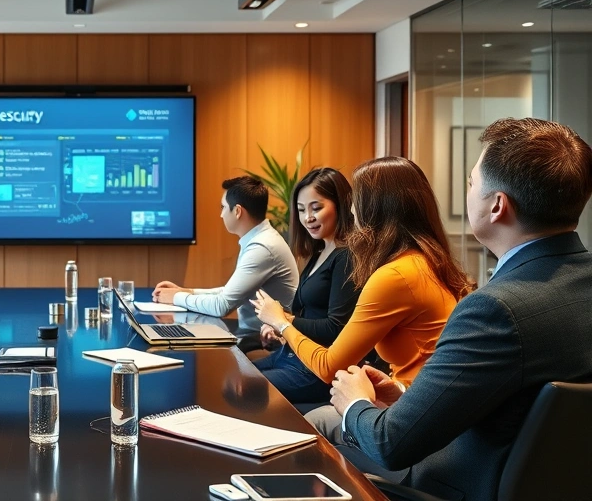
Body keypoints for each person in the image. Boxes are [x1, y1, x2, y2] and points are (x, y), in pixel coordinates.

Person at [330, 118, 592, 501]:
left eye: (472, 182)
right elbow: (514, 402)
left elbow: (390, 445)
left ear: (498, 205)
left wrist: (353, 400)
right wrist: (408, 394)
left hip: (460, 485)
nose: (468, 191)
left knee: (322, 447)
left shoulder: (494, 310)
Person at [254, 157, 473, 427]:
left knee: (311, 419)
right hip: (415, 396)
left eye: (356, 201)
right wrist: (397, 387)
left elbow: (327, 366)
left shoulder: (394, 275)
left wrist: (280, 321)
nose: (353, 211)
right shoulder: (427, 260)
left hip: (420, 415)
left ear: (374, 209)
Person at [251, 168, 361, 405]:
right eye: (301, 210)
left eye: (316, 208)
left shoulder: (346, 256)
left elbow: (335, 328)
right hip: (291, 355)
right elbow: (308, 315)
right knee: (233, 372)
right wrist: (279, 327)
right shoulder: (320, 251)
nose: (307, 217)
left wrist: (283, 321)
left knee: (245, 387)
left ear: (341, 205)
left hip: (313, 370)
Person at [152, 175, 299, 352]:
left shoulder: (263, 247)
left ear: (237, 211)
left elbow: (221, 306)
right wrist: (186, 291)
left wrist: (174, 298)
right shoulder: (261, 239)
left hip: (264, 339)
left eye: (223, 208)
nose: (221, 214)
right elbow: (232, 291)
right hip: (253, 334)